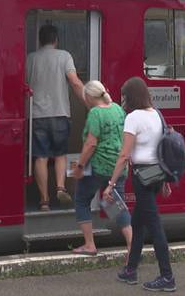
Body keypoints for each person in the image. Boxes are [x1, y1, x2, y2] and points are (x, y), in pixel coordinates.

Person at [104, 76, 176, 292]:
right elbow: (162, 148)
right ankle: (131, 270)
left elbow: (124, 155)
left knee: (154, 226)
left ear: (131, 97)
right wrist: (165, 180)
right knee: (138, 223)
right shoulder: (157, 114)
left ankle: (167, 276)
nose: (123, 100)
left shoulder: (133, 118)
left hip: (142, 176)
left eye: (124, 96)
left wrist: (111, 184)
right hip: (156, 173)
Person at [70, 80, 132, 256]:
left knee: (82, 200)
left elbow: (90, 144)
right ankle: (132, 245)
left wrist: (80, 166)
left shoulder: (95, 113)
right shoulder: (118, 110)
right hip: (118, 168)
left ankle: (90, 244)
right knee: (114, 205)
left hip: (99, 167)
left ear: (89, 97)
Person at [27, 24, 84, 211]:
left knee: (41, 157)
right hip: (60, 113)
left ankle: (44, 200)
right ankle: (61, 187)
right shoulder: (64, 56)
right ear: (56, 39)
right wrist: (89, 99)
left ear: (39, 40)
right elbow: (74, 82)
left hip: (37, 115)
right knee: (60, 154)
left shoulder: (31, 59)